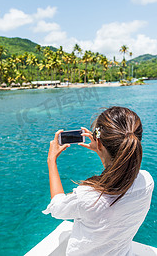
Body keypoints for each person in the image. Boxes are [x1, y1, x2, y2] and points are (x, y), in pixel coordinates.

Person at [43, 106, 154, 256]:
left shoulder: (89, 197)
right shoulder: (147, 181)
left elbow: (57, 208)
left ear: (99, 142)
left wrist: (51, 161)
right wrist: (101, 149)